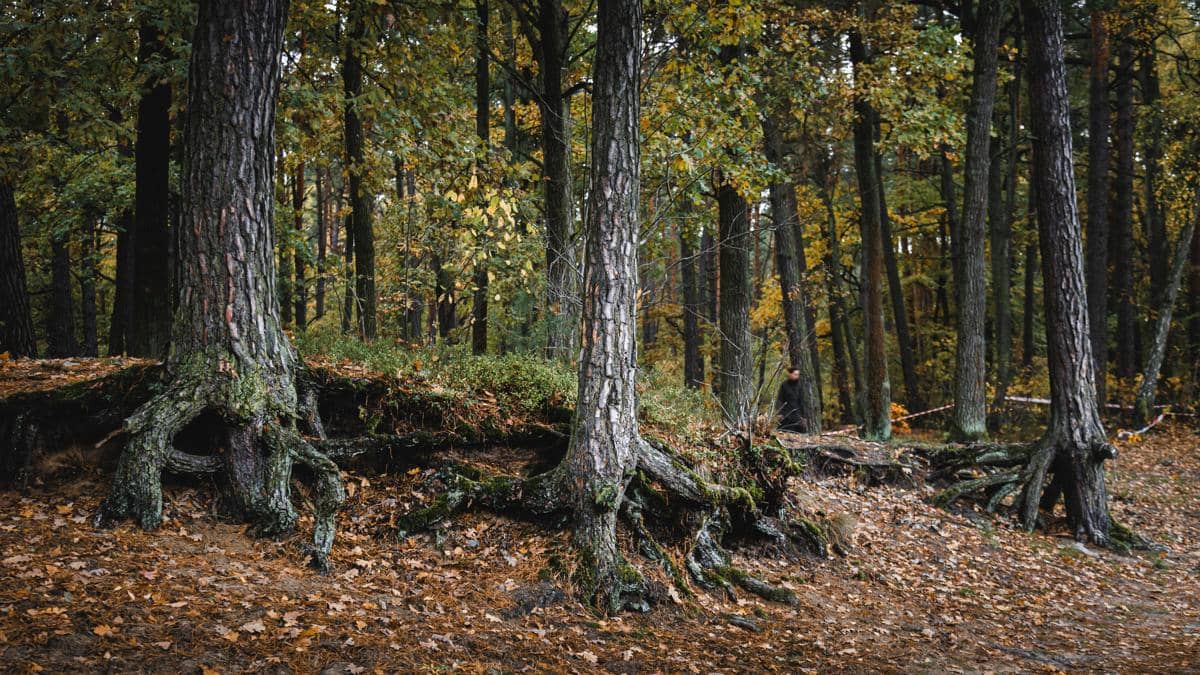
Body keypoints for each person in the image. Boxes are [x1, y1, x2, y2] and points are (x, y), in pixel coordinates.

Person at [775, 367, 808, 433]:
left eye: (798, 375)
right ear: (790, 374)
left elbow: (802, 401)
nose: (797, 376)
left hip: (797, 414)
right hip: (786, 414)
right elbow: (780, 399)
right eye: (795, 374)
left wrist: (803, 416)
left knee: (798, 433)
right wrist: (780, 413)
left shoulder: (800, 385)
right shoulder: (784, 385)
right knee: (785, 432)